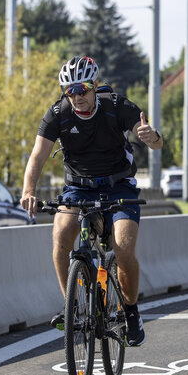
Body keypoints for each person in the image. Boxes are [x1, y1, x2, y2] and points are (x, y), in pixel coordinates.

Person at [20, 55, 164, 347]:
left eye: (83, 89)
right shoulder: (58, 114)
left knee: (123, 248)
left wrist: (152, 137)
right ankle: (71, 308)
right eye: (69, 90)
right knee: (61, 234)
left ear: (95, 86)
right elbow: (38, 155)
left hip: (118, 185)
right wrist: (29, 190)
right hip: (78, 188)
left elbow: (152, 138)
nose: (77, 96)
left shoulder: (115, 106)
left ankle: (132, 311)